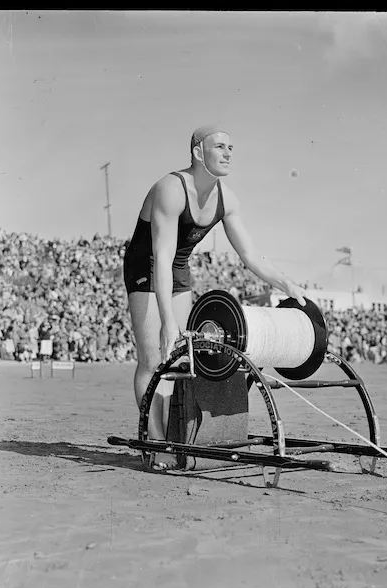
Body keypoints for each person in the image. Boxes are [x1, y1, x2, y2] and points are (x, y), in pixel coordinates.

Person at [123, 125, 308, 468]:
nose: (227, 153)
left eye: (231, 148)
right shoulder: (171, 189)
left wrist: (287, 285)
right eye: (219, 146)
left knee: (178, 359)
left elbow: (250, 256)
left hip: (178, 266)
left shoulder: (228, 198)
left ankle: (172, 435)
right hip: (147, 264)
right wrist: (166, 321)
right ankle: (157, 442)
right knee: (153, 357)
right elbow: (160, 257)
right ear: (197, 152)